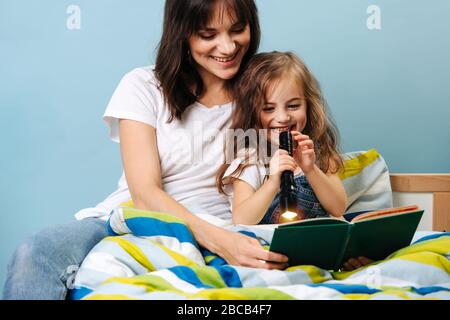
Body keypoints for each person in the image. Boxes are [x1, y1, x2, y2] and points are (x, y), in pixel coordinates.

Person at [3, 0, 288, 300]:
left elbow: (302, 163)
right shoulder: (143, 86)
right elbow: (145, 194)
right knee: (34, 253)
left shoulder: (264, 98)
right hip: (127, 219)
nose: (227, 47)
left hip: (222, 224)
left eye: (237, 30)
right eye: (208, 35)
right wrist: (221, 242)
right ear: (183, 33)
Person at [217, 51, 348, 225]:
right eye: (269, 109)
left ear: (308, 105)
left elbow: (338, 208)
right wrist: (272, 183)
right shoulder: (249, 158)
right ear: (252, 113)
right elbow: (241, 219)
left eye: (293, 106)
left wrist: (310, 170)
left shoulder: (318, 151)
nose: (283, 117)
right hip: (273, 245)